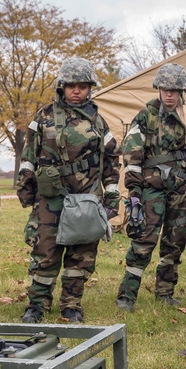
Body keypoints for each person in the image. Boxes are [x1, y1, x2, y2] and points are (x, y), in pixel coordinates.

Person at [16, 58, 121, 324]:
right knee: (45, 252)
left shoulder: (98, 122)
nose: (76, 91)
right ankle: (37, 305)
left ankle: (72, 305)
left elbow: (111, 160)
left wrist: (111, 195)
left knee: (81, 254)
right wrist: (25, 185)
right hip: (50, 198)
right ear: (62, 87)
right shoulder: (44, 116)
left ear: (89, 88)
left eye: (82, 86)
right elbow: (28, 154)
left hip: (86, 198)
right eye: (71, 85)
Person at [116, 63, 186, 310]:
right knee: (143, 241)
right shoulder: (146, 115)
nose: (169, 94)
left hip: (181, 191)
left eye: (175, 90)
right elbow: (132, 153)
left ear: (182, 92)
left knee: (175, 241)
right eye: (165, 89)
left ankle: (165, 293)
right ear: (159, 89)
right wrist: (134, 190)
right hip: (151, 190)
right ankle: (127, 296)